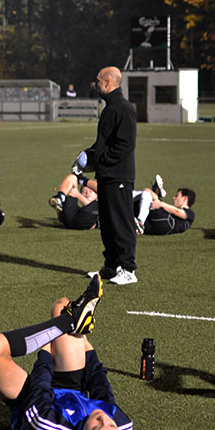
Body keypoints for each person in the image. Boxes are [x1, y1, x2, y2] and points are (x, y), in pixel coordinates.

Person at [0, 275, 133, 430]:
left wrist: (45, 353)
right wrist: (87, 349)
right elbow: (102, 391)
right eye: (111, 426)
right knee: (63, 305)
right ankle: (72, 320)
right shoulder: (123, 428)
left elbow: (39, 393)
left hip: (30, 399)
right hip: (70, 389)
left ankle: (68, 322)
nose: (102, 418)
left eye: (96, 427)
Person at [75, 66, 138, 285]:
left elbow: (125, 145)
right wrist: (88, 156)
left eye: (98, 81)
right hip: (106, 174)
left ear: (108, 83)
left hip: (118, 175)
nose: (96, 84)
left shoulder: (123, 108)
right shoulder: (111, 107)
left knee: (121, 222)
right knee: (108, 223)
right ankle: (111, 266)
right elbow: (104, 144)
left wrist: (101, 159)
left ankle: (128, 268)